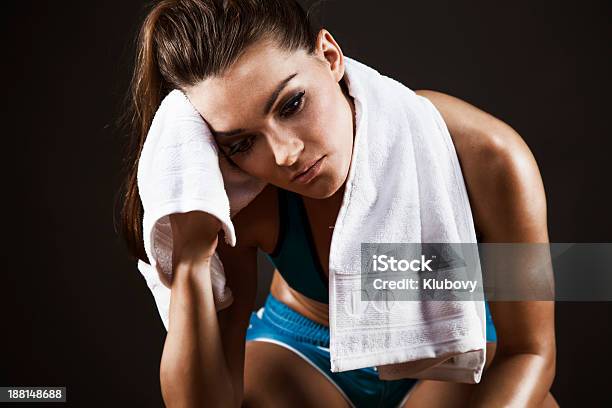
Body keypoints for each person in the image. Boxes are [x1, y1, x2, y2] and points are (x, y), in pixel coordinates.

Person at [119, 0, 558, 406]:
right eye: (243, 142)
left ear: (330, 57)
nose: (284, 154)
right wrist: (193, 256)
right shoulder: (241, 196)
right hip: (300, 359)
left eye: (291, 104)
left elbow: (530, 353)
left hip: (447, 355)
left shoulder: (485, 156)